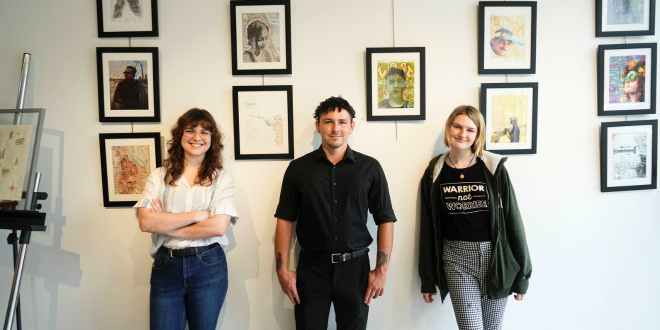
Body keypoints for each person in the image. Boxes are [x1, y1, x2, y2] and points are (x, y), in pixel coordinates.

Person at [274, 96, 396, 330]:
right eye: (328, 121)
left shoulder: (370, 168)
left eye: (342, 121)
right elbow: (285, 219)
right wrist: (281, 269)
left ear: (352, 126)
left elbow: (386, 218)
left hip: (356, 269)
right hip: (311, 268)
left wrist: (382, 269)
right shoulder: (298, 169)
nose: (335, 128)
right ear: (318, 126)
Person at [418, 105, 532, 330]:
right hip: (456, 259)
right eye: (457, 126)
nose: (462, 134)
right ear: (449, 128)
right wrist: (428, 278)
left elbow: (513, 221)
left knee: (492, 328)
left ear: (478, 134)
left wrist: (522, 276)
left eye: (470, 129)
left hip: (496, 260)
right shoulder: (435, 171)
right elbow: (427, 227)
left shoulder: (492, 168)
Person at [135, 108, 239, 330]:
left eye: (204, 132)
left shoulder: (222, 178)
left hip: (208, 265)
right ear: (179, 135)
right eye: (190, 130)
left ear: (212, 139)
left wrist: (165, 224)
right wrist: (199, 216)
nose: (197, 137)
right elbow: (146, 223)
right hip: (166, 266)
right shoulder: (158, 176)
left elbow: (219, 227)